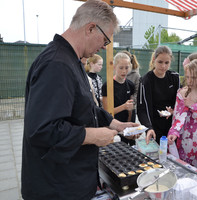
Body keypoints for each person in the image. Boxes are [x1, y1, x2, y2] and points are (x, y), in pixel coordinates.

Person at [21, 1, 138, 199]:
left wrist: (115, 124)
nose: (103, 46)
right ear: (91, 28)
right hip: (56, 187)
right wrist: (92, 135)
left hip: (68, 181)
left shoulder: (70, 60)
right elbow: (42, 130)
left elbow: (86, 107)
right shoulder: (57, 64)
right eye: (105, 39)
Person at [167, 59, 197, 174]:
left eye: (193, 78)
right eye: (187, 77)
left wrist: (193, 107)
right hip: (183, 142)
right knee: (183, 172)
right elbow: (177, 117)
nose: (189, 81)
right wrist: (173, 132)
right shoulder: (182, 93)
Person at [137, 45, 180, 144]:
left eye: (167, 63)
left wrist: (174, 109)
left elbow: (180, 102)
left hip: (172, 129)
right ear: (154, 60)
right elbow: (142, 109)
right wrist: (148, 128)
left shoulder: (175, 78)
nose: (163, 66)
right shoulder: (145, 81)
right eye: (160, 62)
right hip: (154, 128)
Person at [102, 52, 136, 145]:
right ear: (114, 67)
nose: (124, 71)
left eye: (126, 68)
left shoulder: (130, 85)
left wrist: (130, 124)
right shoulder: (108, 85)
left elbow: (130, 109)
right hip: (113, 128)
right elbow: (106, 112)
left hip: (127, 128)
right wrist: (124, 107)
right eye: (121, 68)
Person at [122, 50, 141, 122]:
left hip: (130, 109)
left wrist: (130, 103)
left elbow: (137, 92)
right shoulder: (114, 73)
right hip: (118, 109)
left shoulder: (136, 75)